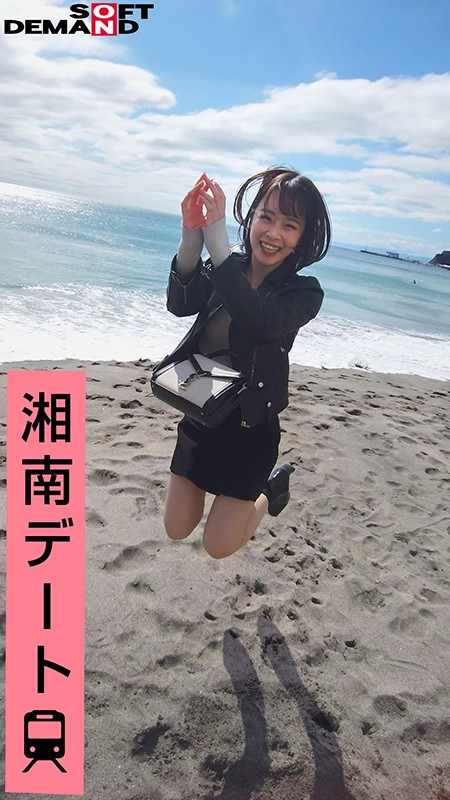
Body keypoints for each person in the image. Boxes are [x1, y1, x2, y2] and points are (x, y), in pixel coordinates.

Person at [162, 166, 331, 559]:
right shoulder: (228, 264)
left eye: (289, 225)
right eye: (266, 217)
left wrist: (218, 244)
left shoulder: (304, 293)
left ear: (303, 237)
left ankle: (270, 490)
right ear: (251, 217)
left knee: (218, 546)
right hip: (202, 416)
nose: (273, 233)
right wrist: (191, 237)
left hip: (250, 429)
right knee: (176, 528)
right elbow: (180, 304)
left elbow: (259, 321)